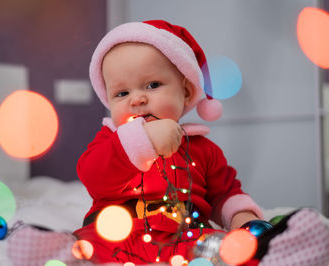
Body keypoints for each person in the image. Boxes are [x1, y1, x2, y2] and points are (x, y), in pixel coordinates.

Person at [72, 20, 329, 265]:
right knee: (76, 250)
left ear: (185, 92)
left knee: (228, 250)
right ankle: (42, 245)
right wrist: (142, 141)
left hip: (185, 236)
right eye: (122, 93)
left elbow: (224, 194)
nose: (137, 99)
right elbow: (93, 176)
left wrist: (243, 219)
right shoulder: (111, 140)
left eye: (152, 85)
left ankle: (281, 249)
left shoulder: (202, 148)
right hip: (114, 236)